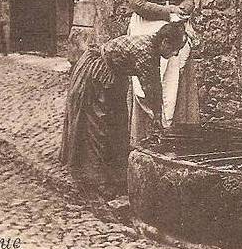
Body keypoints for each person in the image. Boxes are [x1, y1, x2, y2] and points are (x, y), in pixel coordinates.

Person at [60, 22, 187, 191]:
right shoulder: (146, 51)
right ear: (164, 42)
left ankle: (114, 175)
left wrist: (158, 114)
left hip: (112, 75)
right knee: (97, 125)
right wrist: (157, 116)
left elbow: (154, 82)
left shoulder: (153, 47)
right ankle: (94, 179)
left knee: (117, 124)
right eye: (174, 49)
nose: (176, 53)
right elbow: (150, 87)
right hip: (96, 72)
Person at [125, 0, 200, 143]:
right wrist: (168, 10)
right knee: (152, 68)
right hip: (147, 24)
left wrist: (184, 8)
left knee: (178, 60)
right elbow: (138, 4)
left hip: (174, 24)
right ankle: (149, 128)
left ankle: (177, 126)